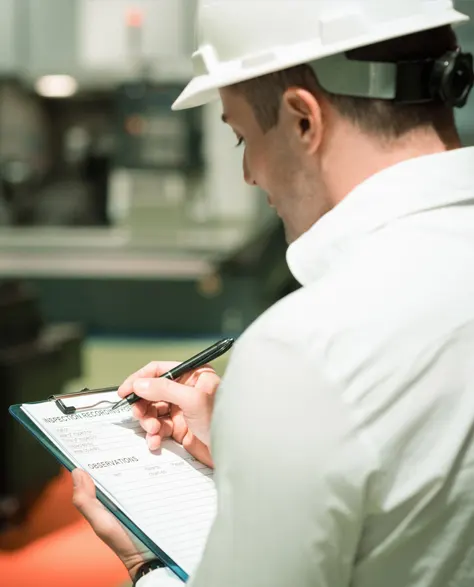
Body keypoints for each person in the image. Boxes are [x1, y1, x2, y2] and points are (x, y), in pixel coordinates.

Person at [72, 1, 474, 585]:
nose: (250, 174)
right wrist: (252, 449)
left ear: (302, 120)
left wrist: (146, 563)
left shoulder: (308, 351)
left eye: (241, 138)